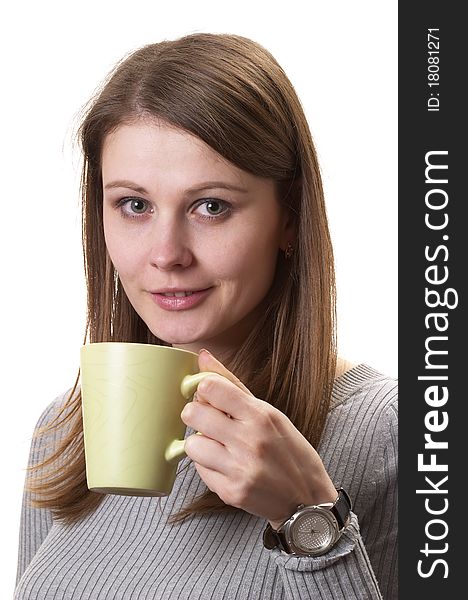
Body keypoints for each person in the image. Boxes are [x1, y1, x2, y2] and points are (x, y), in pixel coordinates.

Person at [14, 33, 397, 599]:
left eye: (210, 206)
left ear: (289, 217)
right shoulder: (67, 431)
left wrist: (308, 518)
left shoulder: (396, 433)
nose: (166, 253)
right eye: (134, 205)